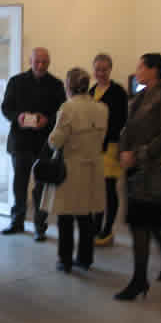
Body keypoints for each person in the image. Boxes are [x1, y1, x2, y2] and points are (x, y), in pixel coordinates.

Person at [115, 53, 161, 301]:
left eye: (141, 66)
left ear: (154, 70)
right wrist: (123, 151)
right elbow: (128, 128)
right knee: (146, 222)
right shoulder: (141, 96)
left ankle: (139, 280)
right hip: (136, 170)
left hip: (153, 172)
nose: (137, 70)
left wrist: (138, 154)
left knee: (141, 224)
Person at [40, 68, 108, 273]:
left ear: (68, 86)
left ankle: (65, 260)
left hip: (71, 168)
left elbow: (55, 141)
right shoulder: (102, 108)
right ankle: (85, 258)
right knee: (86, 216)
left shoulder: (68, 108)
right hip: (93, 167)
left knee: (66, 216)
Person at [0, 47, 66, 241]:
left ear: (49, 62)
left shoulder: (56, 85)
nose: (40, 65)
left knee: (41, 186)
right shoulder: (16, 81)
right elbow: (6, 108)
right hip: (20, 141)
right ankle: (17, 221)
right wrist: (18, 117)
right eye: (37, 61)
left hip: (44, 143)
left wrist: (48, 120)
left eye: (44, 62)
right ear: (30, 61)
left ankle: (40, 225)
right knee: (19, 184)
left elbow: (62, 112)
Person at [89, 54, 128, 247]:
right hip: (93, 148)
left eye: (104, 69)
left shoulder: (118, 92)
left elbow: (121, 120)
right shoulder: (91, 91)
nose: (101, 73)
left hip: (110, 147)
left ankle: (108, 228)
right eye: (98, 69)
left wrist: (103, 133)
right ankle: (96, 226)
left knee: (109, 189)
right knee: (97, 190)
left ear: (110, 69)